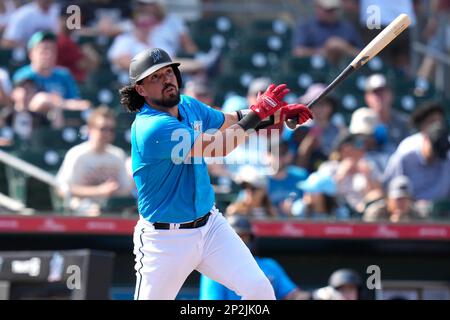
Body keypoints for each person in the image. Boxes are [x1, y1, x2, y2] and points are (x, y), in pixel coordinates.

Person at [118, 47, 313, 300]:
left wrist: (277, 115)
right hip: (165, 239)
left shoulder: (187, 105)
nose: (166, 79)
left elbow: (230, 120)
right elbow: (219, 146)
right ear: (140, 90)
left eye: (168, 72)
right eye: (155, 77)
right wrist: (258, 114)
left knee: (260, 292)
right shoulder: (151, 127)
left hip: (210, 226)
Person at [199, 215, 311, 300]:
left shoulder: (268, 265)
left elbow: (291, 295)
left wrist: (314, 295)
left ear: (251, 239)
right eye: (236, 236)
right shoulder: (214, 268)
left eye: (244, 236)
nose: (241, 241)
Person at [56, 107, 133, 216]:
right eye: (103, 128)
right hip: (80, 208)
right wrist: (98, 191)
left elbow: (126, 190)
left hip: (112, 208)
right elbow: (62, 189)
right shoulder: (77, 154)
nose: (107, 133)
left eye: (111, 129)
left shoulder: (117, 155)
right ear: (90, 130)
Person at [12, 31, 91, 111]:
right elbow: (22, 105)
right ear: (31, 54)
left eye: (52, 50)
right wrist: (52, 101)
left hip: (62, 120)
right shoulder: (23, 76)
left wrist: (57, 103)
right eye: (43, 50)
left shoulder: (64, 75)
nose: (48, 54)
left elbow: (78, 103)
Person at [383, 122, 450, 201]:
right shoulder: (404, 158)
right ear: (425, 139)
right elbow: (389, 191)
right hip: (410, 211)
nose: (435, 157)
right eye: (434, 151)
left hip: (441, 211)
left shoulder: (446, 160)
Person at [292, 0, 363, 64]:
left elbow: (363, 56)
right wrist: (326, 51)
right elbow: (298, 52)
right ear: (317, 8)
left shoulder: (347, 27)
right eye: (328, 10)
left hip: (346, 72)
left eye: (334, 9)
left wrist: (344, 47)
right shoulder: (307, 26)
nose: (332, 13)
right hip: (316, 72)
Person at [364, 74, 410, 153]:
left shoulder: (403, 122)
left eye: (383, 92)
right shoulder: (362, 120)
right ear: (367, 97)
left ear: (391, 95)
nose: (380, 97)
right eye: (375, 93)